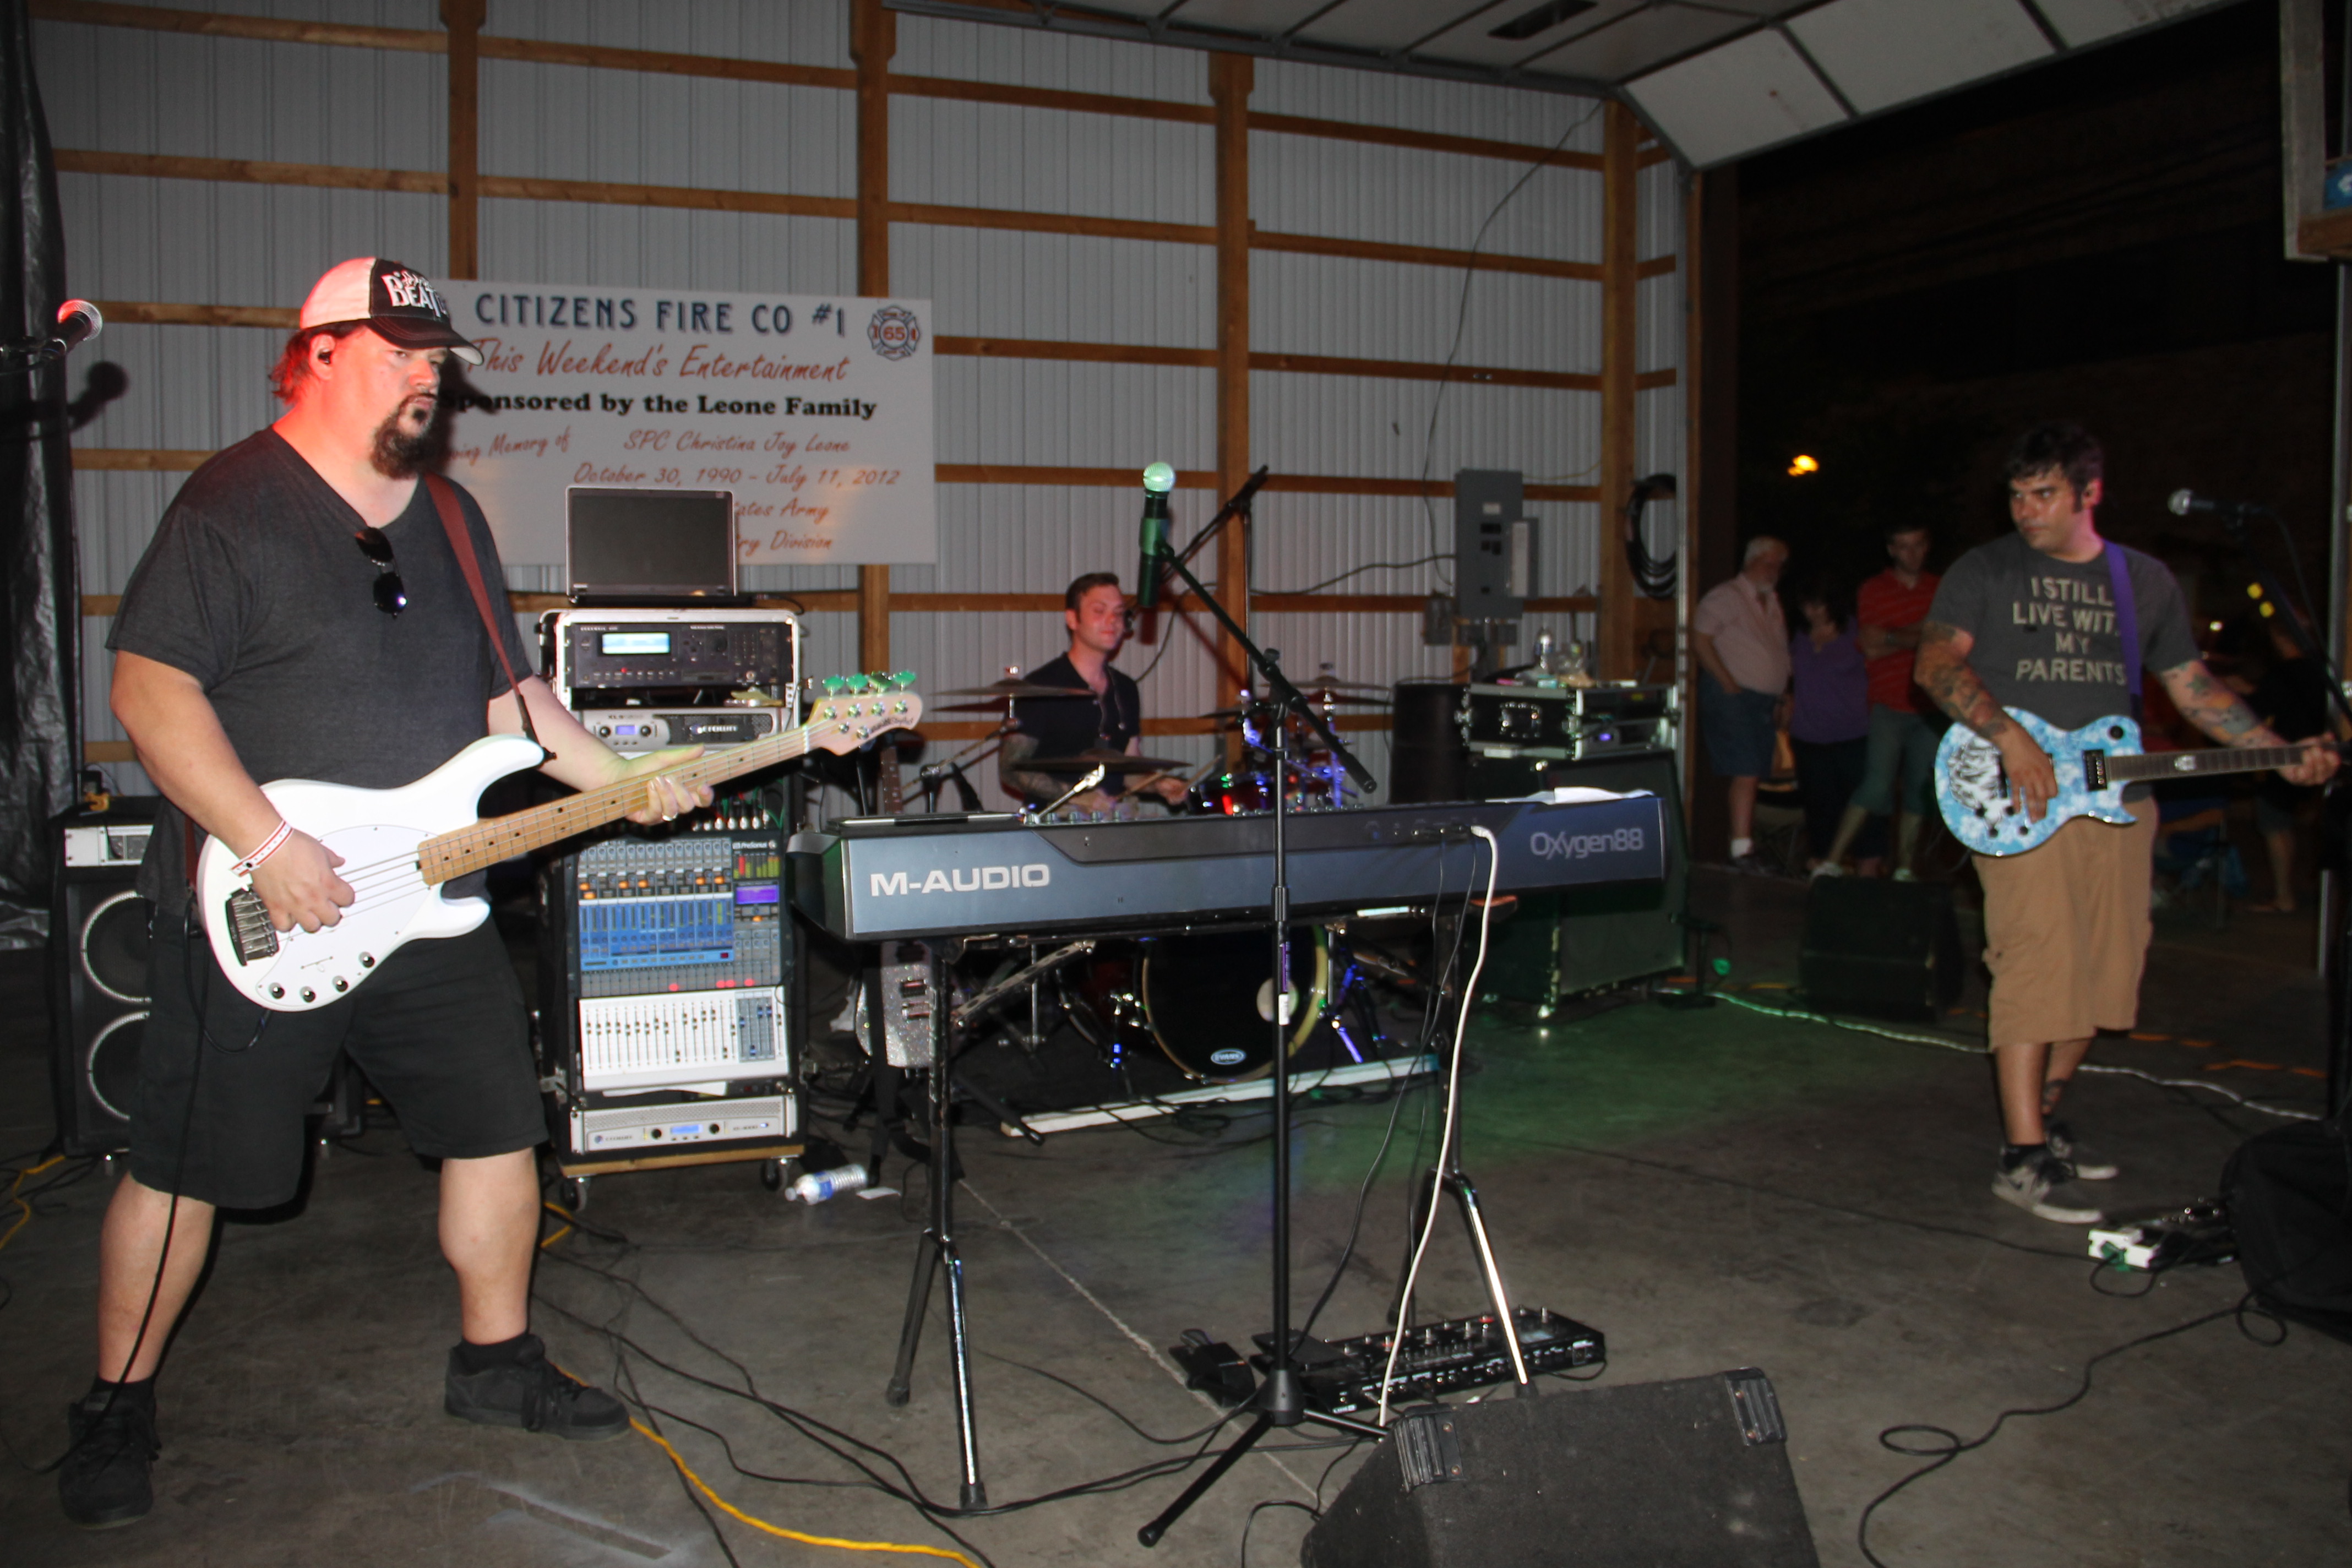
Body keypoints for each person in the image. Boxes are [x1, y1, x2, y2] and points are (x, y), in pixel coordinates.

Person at [63, 258, 712, 1529]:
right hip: (264, 902)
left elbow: (511, 702)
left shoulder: (453, 518)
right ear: (316, 353)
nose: (429, 374)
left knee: (497, 1128)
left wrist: (629, 781)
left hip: (427, 893)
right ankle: (114, 1404)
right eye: (401, 351)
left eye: (436, 356)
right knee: (186, 1164)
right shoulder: (234, 502)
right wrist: (263, 838)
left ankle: (497, 1359)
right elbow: (148, 688)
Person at [1915, 422, 2335, 1223]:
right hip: (2015, 788)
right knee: (2035, 958)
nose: (2026, 510)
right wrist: (2011, 739)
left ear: (2090, 492)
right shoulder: (1987, 568)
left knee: (2108, 969)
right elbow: (1935, 663)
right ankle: (2022, 1156)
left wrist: (2278, 752)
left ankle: (2044, 1115)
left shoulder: (2140, 579)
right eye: (2017, 494)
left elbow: (2193, 686)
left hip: (2117, 795)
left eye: (2044, 494)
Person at [998, 572, 1190, 813]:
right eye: (1099, 611)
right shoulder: (1041, 688)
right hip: (1056, 821)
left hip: (1113, 819)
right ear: (1072, 619)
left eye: (1119, 613)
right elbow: (1011, 770)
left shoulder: (1125, 688)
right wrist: (1075, 796)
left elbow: (1128, 768)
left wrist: (1159, 784)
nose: (1112, 620)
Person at [1817, 521, 1940, 879]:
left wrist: (1892, 637)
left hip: (1930, 703)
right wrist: (1919, 633)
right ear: (1891, 550)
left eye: (1917, 544)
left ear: (1927, 546)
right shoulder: (1874, 589)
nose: (1911, 553)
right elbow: (1870, 645)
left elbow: (1941, 636)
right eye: (1903, 546)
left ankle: (1904, 869)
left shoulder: (1941, 588)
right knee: (1875, 786)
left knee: (1919, 790)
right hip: (1888, 702)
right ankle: (1832, 862)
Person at [1693, 536, 1791, 872]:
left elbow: (1777, 651)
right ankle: (1741, 848)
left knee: (1756, 768)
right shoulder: (1727, 596)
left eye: (1779, 565)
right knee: (1746, 767)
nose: (1774, 571)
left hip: (1761, 698)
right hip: (1734, 695)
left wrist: (1782, 693)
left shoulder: (1771, 601)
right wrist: (1726, 681)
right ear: (1751, 561)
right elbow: (1700, 638)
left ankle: (1743, 842)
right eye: (1768, 563)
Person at [2243, 612, 2343, 913]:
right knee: (2317, 825)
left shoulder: (2283, 674)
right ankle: (2316, 892)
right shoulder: (2327, 670)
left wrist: (2243, 694)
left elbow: (2258, 711)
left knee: (2275, 824)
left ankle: (2285, 895)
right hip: (2327, 752)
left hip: (2290, 757)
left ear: (2279, 638)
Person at [1785, 579, 1881, 874]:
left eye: (1818, 605)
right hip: (1808, 737)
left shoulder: (1855, 632)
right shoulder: (1799, 636)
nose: (1812, 612)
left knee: (1863, 806)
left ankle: (1868, 874)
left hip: (1852, 735)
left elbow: (1877, 671)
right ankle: (1825, 870)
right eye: (1806, 606)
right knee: (1820, 808)